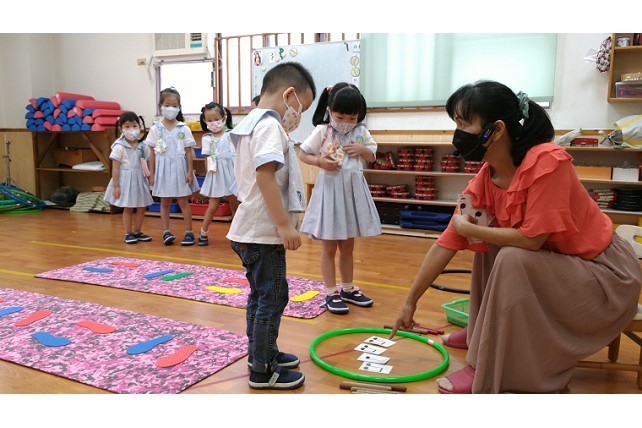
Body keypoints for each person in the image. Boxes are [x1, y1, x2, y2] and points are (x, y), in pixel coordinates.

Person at [389, 80, 642, 394]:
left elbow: (532, 241)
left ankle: (485, 363)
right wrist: (409, 302)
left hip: (604, 276)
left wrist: (472, 230)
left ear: (496, 130)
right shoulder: (487, 177)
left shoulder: (548, 162)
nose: (458, 132)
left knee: (511, 255)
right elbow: (448, 242)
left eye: (464, 124)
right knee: (489, 247)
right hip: (563, 267)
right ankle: (481, 332)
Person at [227, 61, 316, 390]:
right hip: (263, 232)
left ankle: (262, 353)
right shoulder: (268, 126)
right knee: (273, 298)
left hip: (251, 230)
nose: (299, 115)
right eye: (301, 107)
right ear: (289, 95)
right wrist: (284, 226)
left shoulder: (252, 123)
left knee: (261, 296)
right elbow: (265, 175)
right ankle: (263, 370)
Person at [298, 83, 381, 315]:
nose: (345, 121)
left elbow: (372, 155)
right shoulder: (322, 131)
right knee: (329, 246)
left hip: (352, 193)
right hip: (330, 193)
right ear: (329, 110)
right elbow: (303, 154)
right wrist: (320, 162)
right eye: (340, 116)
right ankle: (330, 292)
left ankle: (348, 289)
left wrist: (362, 150)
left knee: (348, 246)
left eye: (352, 117)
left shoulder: (361, 132)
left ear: (359, 114)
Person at [146, 87, 200, 246]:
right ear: (161, 106)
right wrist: (152, 174)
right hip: (162, 169)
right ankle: (166, 232)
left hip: (179, 168)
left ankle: (189, 232)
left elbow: (188, 152)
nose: (171, 108)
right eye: (167, 105)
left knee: (183, 201)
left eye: (174, 105)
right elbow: (151, 153)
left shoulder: (183, 128)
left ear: (179, 107)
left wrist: (190, 171)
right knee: (165, 202)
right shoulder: (156, 128)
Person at [104, 112, 154, 244]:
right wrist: (116, 186)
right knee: (128, 207)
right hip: (126, 180)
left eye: (134, 125)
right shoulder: (119, 146)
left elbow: (149, 161)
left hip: (140, 179)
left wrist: (151, 177)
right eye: (127, 126)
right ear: (121, 129)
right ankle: (128, 233)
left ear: (139, 127)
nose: (131, 129)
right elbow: (115, 168)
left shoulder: (143, 145)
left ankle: (138, 231)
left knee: (142, 206)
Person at [196, 101, 240, 246]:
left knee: (235, 205)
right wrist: (209, 177)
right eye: (209, 120)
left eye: (216, 119)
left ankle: (237, 234)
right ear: (204, 121)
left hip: (231, 174)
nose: (213, 122)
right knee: (213, 205)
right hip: (215, 174)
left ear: (223, 118)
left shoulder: (231, 134)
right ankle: (203, 232)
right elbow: (206, 159)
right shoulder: (207, 138)